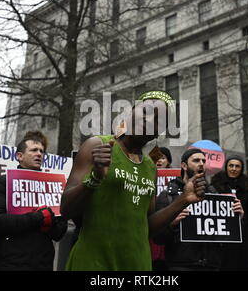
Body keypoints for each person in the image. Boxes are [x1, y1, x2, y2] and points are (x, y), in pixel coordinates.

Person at [61, 91, 207, 271]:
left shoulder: (150, 168)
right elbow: (66, 209)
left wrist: (183, 200)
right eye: (145, 111)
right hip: (94, 261)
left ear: (158, 133)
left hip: (137, 264)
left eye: (158, 120)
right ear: (131, 112)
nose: (149, 119)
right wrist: (95, 178)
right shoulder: (98, 145)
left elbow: (146, 227)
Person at [0, 131, 67, 271]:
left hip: (42, 265)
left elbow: (59, 232)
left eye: (42, 151)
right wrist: (37, 218)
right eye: (34, 150)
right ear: (19, 156)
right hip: (7, 264)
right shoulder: (3, 183)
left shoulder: (52, 187)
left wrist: (49, 223)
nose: (39, 154)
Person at [154, 149, 245, 271]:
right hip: (180, 266)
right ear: (184, 165)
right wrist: (171, 223)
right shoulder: (168, 196)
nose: (201, 163)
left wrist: (237, 219)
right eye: (196, 160)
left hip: (211, 265)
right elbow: (157, 238)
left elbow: (231, 239)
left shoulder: (216, 195)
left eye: (203, 160)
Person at [210, 155, 248, 270]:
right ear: (226, 167)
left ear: (241, 169)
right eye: (231, 165)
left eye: (237, 166)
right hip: (222, 239)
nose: (233, 169)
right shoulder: (215, 186)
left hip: (243, 237)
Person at [150, 146, 172, 271]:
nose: (159, 160)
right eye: (156, 157)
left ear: (168, 161)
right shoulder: (144, 176)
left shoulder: (177, 180)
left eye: (163, 158)